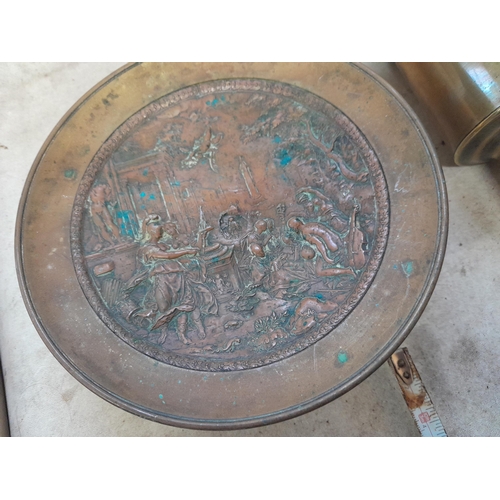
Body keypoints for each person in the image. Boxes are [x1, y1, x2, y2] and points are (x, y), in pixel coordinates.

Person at [133, 214, 217, 345]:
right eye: (157, 227)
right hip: (163, 281)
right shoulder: (147, 248)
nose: (161, 229)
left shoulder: (164, 244)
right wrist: (186, 252)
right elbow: (167, 256)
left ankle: (182, 334)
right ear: (149, 230)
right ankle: (163, 333)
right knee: (164, 308)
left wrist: (199, 240)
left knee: (183, 307)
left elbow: (179, 254)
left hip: (179, 278)